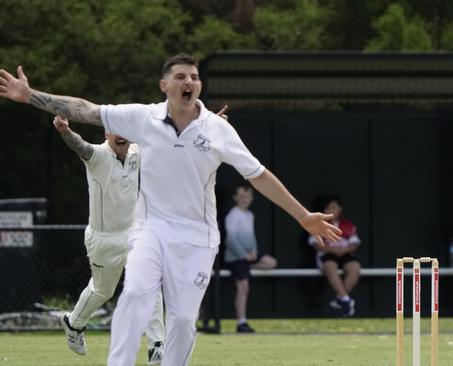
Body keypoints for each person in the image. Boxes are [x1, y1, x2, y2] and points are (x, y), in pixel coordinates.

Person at [0, 54, 341, 366]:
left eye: (193, 77)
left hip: (198, 238)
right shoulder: (141, 118)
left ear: (200, 86)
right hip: (151, 229)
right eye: (180, 76)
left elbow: (259, 176)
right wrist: (31, 96)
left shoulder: (217, 129)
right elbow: (85, 109)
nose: (188, 82)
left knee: (180, 319)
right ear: (165, 85)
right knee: (134, 293)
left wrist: (303, 216)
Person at [51, 116, 165, 365]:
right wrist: (66, 131)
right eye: (116, 132)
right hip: (103, 239)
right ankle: (73, 323)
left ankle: (156, 345)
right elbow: (80, 146)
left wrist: (204, 128)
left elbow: (167, 143)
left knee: (150, 281)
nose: (122, 136)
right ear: (106, 135)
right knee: (103, 291)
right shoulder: (98, 156)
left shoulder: (136, 152)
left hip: (133, 233)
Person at [223, 183, 277, 333]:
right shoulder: (233, 215)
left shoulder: (250, 215)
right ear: (235, 198)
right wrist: (244, 255)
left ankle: (248, 268)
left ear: (251, 198)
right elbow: (230, 239)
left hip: (248, 258)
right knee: (243, 286)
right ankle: (241, 322)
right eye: (241, 196)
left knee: (271, 262)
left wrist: (253, 252)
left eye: (247, 196)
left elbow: (251, 237)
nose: (244, 199)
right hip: (235, 258)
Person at [308, 195, 361, 317]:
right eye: (327, 208)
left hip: (345, 254)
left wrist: (344, 249)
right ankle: (346, 300)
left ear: (340, 208)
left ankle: (341, 298)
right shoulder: (319, 225)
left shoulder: (347, 224)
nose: (331, 211)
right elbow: (316, 244)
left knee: (355, 267)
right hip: (327, 255)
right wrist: (333, 249)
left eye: (334, 207)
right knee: (330, 267)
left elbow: (354, 243)